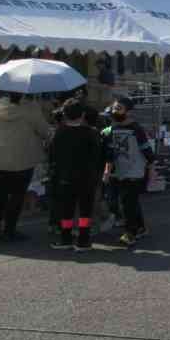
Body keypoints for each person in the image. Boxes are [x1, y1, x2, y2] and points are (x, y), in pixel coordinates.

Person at [0, 92, 51, 243]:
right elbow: (45, 131)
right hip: (23, 160)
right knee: (17, 197)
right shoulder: (31, 109)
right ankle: (10, 230)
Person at [101, 96, 156, 247]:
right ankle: (140, 227)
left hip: (135, 171)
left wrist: (151, 170)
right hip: (119, 170)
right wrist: (107, 170)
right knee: (130, 202)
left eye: (119, 108)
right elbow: (110, 153)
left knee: (127, 203)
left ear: (128, 112)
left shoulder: (136, 129)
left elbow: (147, 150)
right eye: (114, 108)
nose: (114, 111)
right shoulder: (111, 129)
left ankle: (130, 233)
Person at [47, 99, 100, 251]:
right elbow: (96, 156)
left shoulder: (58, 133)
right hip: (86, 177)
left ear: (64, 114)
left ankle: (65, 239)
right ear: (83, 115)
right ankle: (83, 240)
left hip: (64, 177)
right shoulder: (91, 133)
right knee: (85, 211)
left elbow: (52, 156)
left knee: (66, 210)